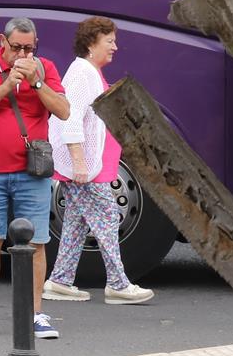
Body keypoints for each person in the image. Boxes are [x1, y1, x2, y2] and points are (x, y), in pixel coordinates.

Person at [0, 15, 70, 339]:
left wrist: (37, 83)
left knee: (36, 244)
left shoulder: (45, 68)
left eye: (29, 48)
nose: (23, 55)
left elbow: (64, 110)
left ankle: (37, 314)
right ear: (2, 42)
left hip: (31, 172)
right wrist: (7, 86)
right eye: (16, 48)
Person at [45, 17, 154, 305]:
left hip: (85, 166)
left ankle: (60, 281)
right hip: (84, 168)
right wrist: (79, 163)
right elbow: (70, 118)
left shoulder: (87, 71)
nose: (115, 47)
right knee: (107, 217)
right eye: (110, 41)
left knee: (77, 222)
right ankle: (118, 284)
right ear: (92, 43)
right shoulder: (82, 73)